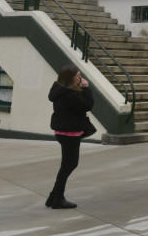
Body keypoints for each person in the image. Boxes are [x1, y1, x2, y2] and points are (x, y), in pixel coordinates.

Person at [47, 64, 95, 209]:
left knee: (70, 164)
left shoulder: (59, 89)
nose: (80, 78)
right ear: (70, 78)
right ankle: (58, 199)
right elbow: (88, 105)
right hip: (69, 133)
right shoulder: (68, 95)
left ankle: (53, 197)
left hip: (65, 132)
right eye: (77, 75)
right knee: (68, 165)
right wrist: (86, 88)